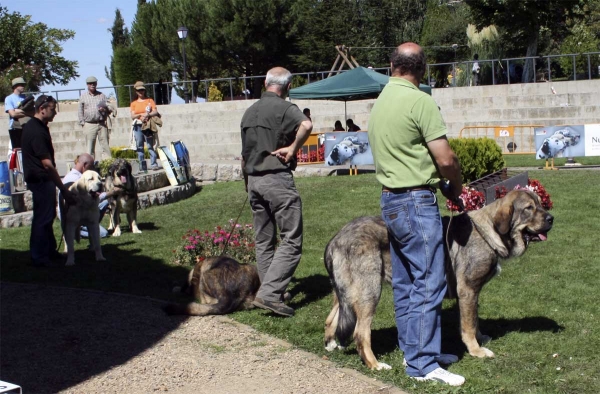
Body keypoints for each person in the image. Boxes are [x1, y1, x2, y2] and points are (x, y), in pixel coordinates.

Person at [367, 43, 465, 386]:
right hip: (416, 202)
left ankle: (415, 351)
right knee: (429, 283)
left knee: (407, 282)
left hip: (390, 202)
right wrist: (456, 183)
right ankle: (423, 364)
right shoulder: (420, 101)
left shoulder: (380, 103)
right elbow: (445, 158)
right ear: (422, 69)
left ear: (391, 65)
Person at [240, 67, 313, 317]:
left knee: (264, 240)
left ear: (265, 82)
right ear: (288, 87)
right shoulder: (284, 107)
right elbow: (306, 124)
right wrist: (293, 148)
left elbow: (244, 155)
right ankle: (270, 294)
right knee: (292, 238)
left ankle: (271, 291)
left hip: (253, 180)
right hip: (276, 179)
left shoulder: (249, 112)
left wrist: (248, 184)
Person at [22, 95, 77, 267]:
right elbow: (47, 164)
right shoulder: (36, 131)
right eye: (53, 109)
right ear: (42, 109)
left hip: (41, 179)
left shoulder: (38, 127)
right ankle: (39, 257)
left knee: (48, 215)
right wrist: (63, 189)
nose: (55, 113)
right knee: (43, 218)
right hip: (40, 179)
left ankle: (49, 251)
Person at [61, 153, 114, 239]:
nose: (92, 169)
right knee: (103, 233)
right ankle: (78, 233)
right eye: (91, 166)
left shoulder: (77, 175)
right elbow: (83, 201)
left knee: (104, 203)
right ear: (85, 165)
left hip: (82, 211)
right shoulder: (74, 179)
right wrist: (110, 193)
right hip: (75, 217)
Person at [78, 76, 115, 160]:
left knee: (105, 145)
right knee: (89, 148)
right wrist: (83, 123)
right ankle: (90, 166)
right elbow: (80, 111)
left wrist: (105, 109)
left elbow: (109, 110)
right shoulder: (83, 97)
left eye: (94, 83)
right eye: (90, 83)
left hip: (101, 124)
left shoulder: (102, 96)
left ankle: (107, 164)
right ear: (87, 85)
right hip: (89, 124)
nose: (92, 85)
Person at [130, 81, 159, 170]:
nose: (141, 92)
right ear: (136, 92)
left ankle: (154, 164)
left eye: (142, 90)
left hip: (148, 125)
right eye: (139, 90)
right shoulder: (133, 103)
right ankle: (142, 165)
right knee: (139, 145)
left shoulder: (150, 100)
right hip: (138, 125)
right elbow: (132, 116)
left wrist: (148, 115)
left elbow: (155, 111)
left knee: (150, 145)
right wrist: (140, 116)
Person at [4, 77, 30, 158]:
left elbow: (32, 113)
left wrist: (17, 110)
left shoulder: (26, 98)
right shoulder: (9, 98)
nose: (23, 86)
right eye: (21, 85)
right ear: (15, 86)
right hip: (15, 129)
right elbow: (13, 114)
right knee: (16, 153)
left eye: (23, 85)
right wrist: (25, 113)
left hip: (26, 127)